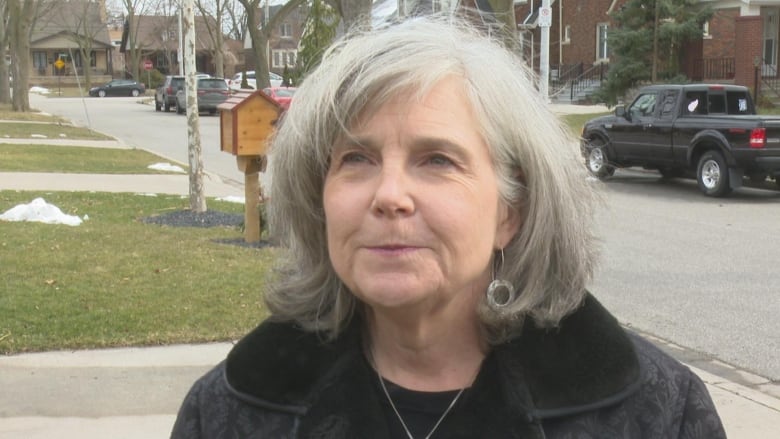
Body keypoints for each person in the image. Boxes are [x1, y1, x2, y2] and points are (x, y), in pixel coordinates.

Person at [171, 15, 726, 439]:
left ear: (510, 212)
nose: (389, 196)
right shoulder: (230, 412)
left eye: (437, 160)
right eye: (356, 160)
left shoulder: (655, 415)